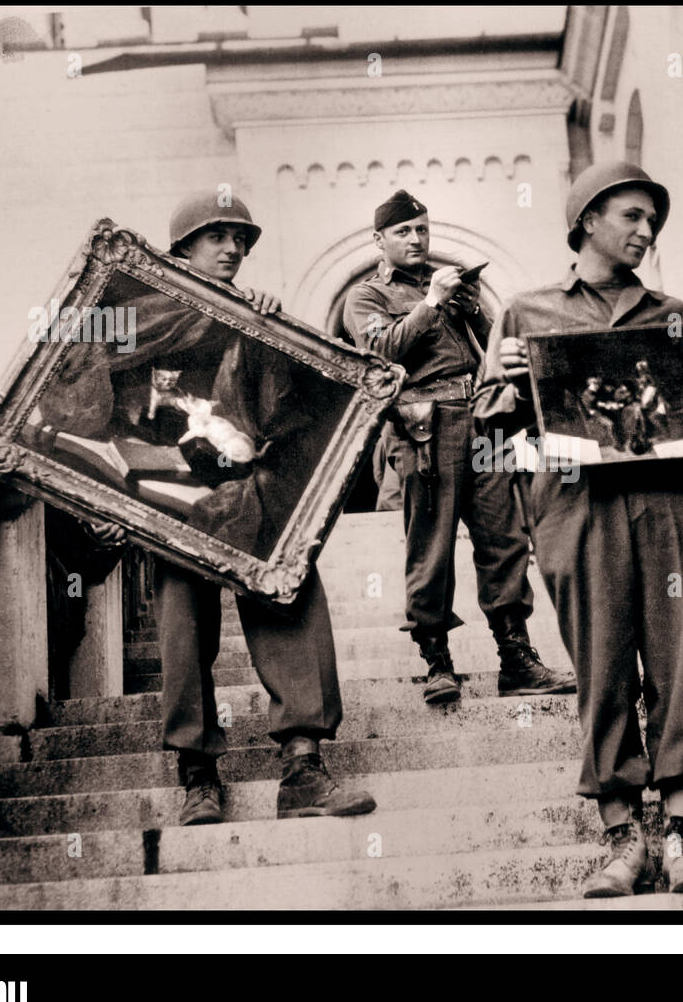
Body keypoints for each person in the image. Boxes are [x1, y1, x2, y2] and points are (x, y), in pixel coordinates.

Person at [476, 161, 683, 897]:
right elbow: (488, 427)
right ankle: (623, 837)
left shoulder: (677, 314)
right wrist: (503, 384)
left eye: (651, 220)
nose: (645, 231)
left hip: (666, 501)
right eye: (631, 215)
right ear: (587, 219)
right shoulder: (527, 313)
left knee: (676, 657)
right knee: (600, 665)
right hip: (575, 504)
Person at [81, 191, 376, 826]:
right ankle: (197, 776)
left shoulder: (252, 318)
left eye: (241, 240)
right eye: (218, 237)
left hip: (253, 491)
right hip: (170, 498)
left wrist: (270, 333)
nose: (233, 250)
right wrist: (111, 496)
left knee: (290, 599)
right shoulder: (140, 319)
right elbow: (106, 413)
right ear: (182, 246)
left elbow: (286, 411)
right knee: (183, 631)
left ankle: (303, 766)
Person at [343, 190, 575, 704]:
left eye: (422, 229)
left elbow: (495, 356)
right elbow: (379, 355)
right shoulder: (366, 297)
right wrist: (430, 305)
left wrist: (474, 314)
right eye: (403, 231)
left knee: (504, 540)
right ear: (378, 240)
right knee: (432, 547)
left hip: (482, 421)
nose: (416, 239)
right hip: (426, 427)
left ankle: (516, 660)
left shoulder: (446, 288)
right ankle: (437, 663)